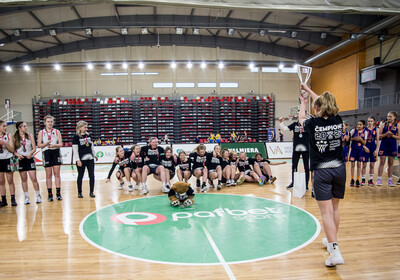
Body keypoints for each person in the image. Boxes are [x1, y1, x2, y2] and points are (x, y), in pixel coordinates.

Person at [299, 83, 345, 267]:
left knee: (325, 212)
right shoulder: (338, 120)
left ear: (317, 107)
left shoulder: (313, 123)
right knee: (334, 209)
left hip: (321, 171)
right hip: (340, 169)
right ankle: (331, 241)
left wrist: (303, 102)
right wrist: (309, 91)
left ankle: (334, 251)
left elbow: (301, 119)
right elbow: (325, 101)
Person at [279, 111, 310, 190]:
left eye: (299, 113)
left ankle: (306, 185)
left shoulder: (308, 124)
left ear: (304, 115)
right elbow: (284, 129)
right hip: (296, 149)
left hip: (306, 149)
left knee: (306, 167)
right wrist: (281, 123)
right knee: (294, 167)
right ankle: (293, 183)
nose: (298, 114)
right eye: (297, 113)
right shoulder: (294, 124)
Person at [13, 121, 41, 204]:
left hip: (29, 158)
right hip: (21, 159)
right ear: (19, 128)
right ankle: (26, 197)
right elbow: (13, 150)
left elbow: (34, 148)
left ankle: (38, 195)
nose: (26, 128)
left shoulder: (29, 135)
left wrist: (31, 153)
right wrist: (17, 154)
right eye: (24, 126)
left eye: (26, 126)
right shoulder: (15, 137)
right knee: (24, 179)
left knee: (33, 178)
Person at [37, 115, 63, 201]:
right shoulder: (41, 132)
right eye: (48, 122)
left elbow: (60, 144)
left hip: (55, 152)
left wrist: (54, 145)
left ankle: (58, 194)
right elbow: (39, 145)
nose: (50, 123)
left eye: (51, 121)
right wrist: (46, 144)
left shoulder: (56, 131)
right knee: (48, 175)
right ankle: (50, 194)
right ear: (45, 123)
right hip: (46, 153)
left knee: (57, 174)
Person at [72, 121, 98, 198]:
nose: (86, 129)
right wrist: (77, 160)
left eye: (86, 127)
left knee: (92, 175)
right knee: (80, 175)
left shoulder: (88, 135)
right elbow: (75, 149)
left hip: (90, 158)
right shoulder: (76, 137)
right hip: (81, 159)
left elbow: (91, 146)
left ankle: (91, 192)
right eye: (84, 127)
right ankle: (79, 192)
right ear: (80, 128)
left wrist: (94, 155)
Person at [377, 111, 399, 187]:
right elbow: (379, 136)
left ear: (395, 117)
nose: (389, 118)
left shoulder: (397, 125)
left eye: (390, 116)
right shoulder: (383, 125)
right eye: (388, 116)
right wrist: (386, 134)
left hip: (392, 145)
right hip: (384, 144)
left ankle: (390, 180)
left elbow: (399, 137)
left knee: (390, 163)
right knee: (382, 162)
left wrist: (392, 135)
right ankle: (379, 179)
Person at [0, 120, 16, 206]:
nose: (5, 128)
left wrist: (4, 144)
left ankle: (13, 199)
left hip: (8, 158)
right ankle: (3, 200)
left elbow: (12, 150)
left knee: (10, 180)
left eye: (6, 126)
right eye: (3, 126)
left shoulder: (9, 135)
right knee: (1, 181)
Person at [361, 117, 380, 186]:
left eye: (371, 121)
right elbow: (361, 139)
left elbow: (377, 141)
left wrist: (376, 150)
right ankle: (363, 179)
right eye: (368, 121)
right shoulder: (364, 129)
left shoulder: (376, 129)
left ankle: (370, 180)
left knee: (372, 165)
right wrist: (364, 147)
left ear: (374, 122)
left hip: (373, 148)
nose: (369, 122)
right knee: (364, 165)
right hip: (365, 147)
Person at [348, 120, 366, 187]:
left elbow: (365, 143)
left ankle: (358, 179)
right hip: (353, 149)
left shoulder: (365, 132)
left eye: (360, 124)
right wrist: (354, 138)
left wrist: (361, 140)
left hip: (360, 150)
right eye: (358, 124)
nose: (358, 126)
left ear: (363, 125)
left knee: (359, 165)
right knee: (352, 164)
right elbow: (349, 139)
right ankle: (352, 179)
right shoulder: (353, 130)